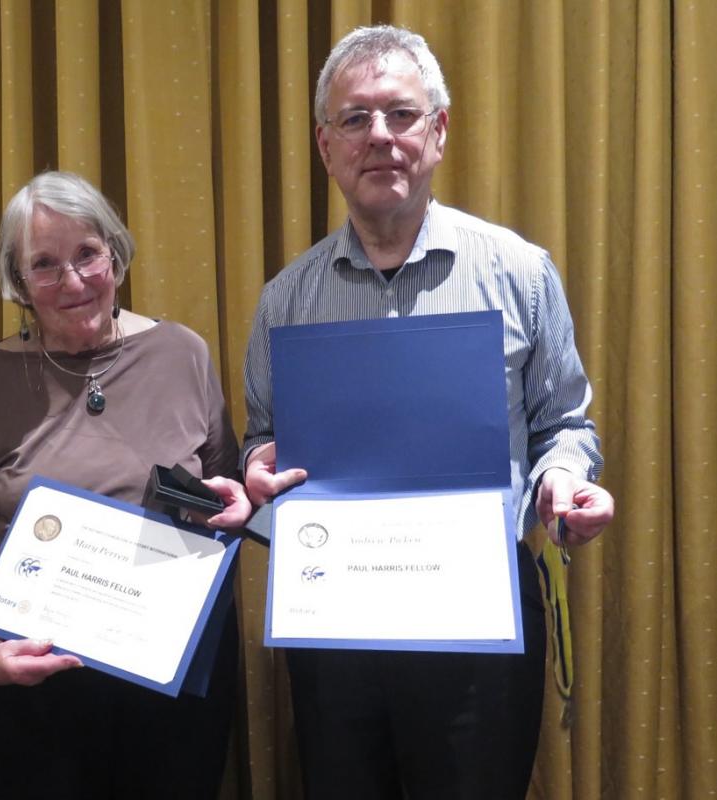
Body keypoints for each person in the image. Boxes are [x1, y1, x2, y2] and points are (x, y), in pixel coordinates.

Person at [242, 25, 616, 800]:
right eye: (354, 118)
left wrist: (562, 482)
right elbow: (262, 438)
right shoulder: (286, 301)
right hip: (335, 626)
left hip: (478, 630)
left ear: (437, 130)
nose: (378, 137)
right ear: (324, 144)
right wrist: (258, 469)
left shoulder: (520, 273)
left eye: (400, 114)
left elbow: (563, 425)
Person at [0, 170, 249, 799]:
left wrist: (234, 505)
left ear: (116, 255)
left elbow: (224, 502)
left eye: (88, 254)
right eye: (44, 264)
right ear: (18, 283)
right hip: (36, 699)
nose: (72, 280)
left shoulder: (184, 355)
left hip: (170, 694)